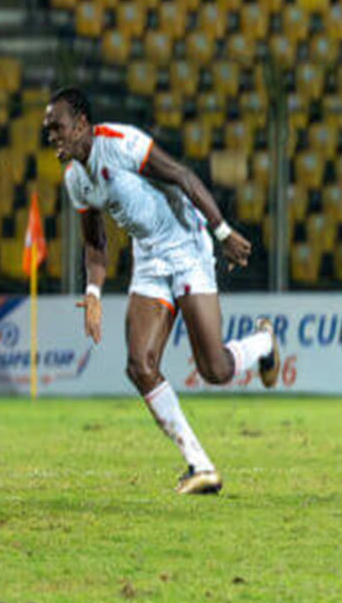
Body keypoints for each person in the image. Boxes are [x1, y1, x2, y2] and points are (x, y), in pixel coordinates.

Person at [41, 87, 281, 495]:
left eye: (58, 128)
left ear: (82, 124)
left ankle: (262, 344)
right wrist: (94, 294)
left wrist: (221, 232)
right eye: (48, 131)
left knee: (216, 370)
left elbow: (183, 176)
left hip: (187, 246)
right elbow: (96, 243)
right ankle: (201, 466)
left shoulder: (120, 144)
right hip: (150, 259)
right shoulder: (74, 180)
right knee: (139, 365)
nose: (52, 137)